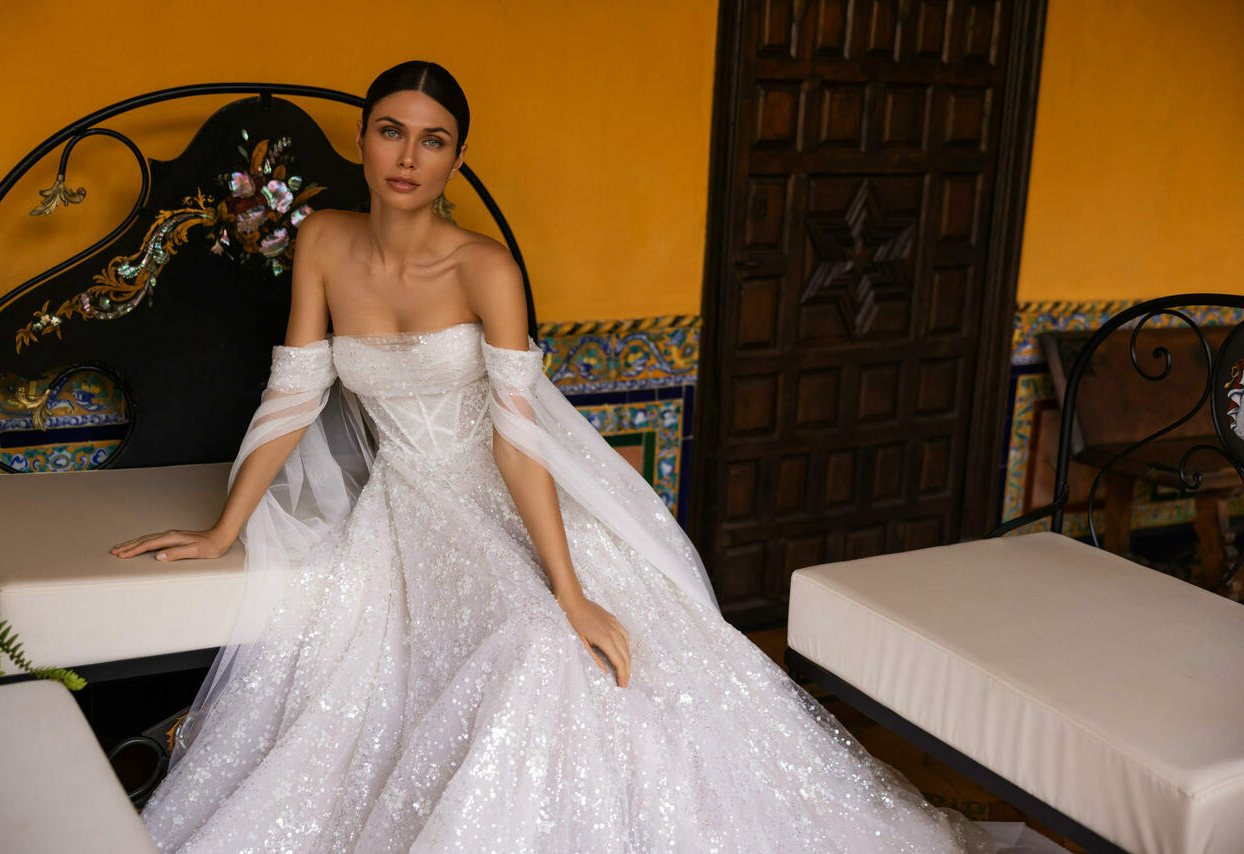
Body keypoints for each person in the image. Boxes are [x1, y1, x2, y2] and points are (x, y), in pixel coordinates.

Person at [112, 60, 998, 853]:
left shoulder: (485, 269)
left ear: (457, 159)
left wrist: (569, 590)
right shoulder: (322, 241)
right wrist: (225, 529)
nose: (408, 157)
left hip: (509, 490)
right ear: (362, 138)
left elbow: (517, 436)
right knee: (519, 652)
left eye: (433, 140)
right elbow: (295, 393)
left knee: (552, 640)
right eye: (391, 131)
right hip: (407, 503)